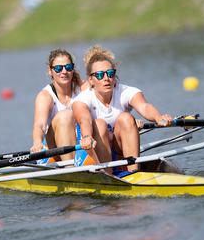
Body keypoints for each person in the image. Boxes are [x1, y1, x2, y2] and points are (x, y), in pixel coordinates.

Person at [73, 45, 173, 175]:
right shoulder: (81, 100)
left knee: (126, 119)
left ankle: (134, 173)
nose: (106, 78)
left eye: (110, 73)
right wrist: (86, 136)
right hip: (89, 154)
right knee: (100, 124)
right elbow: (84, 120)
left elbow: (144, 106)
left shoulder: (126, 91)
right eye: (99, 75)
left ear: (114, 75)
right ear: (91, 80)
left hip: (116, 152)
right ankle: (107, 175)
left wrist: (158, 118)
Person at [31, 49, 88, 161]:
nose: (64, 71)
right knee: (65, 116)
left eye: (68, 67)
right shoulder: (45, 96)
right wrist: (37, 142)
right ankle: (70, 166)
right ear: (50, 71)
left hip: (84, 141)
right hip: (56, 148)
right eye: (58, 68)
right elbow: (40, 125)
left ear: (73, 69)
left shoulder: (83, 88)